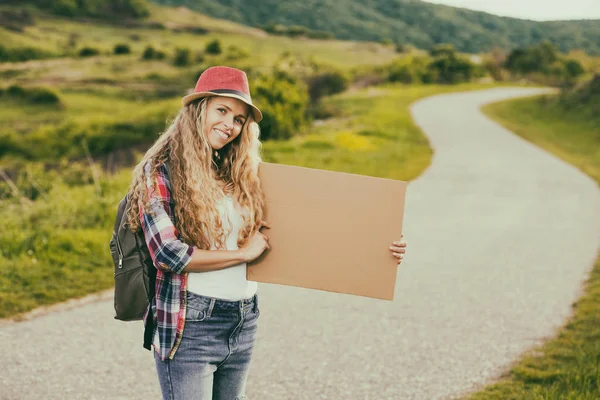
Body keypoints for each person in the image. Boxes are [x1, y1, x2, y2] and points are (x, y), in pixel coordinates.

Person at [124, 66, 408, 400]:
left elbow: (315, 224)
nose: (230, 125)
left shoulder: (240, 171)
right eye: (222, 110)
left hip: (243, 318)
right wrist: (243, 255)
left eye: (240, 119)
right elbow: (167, 254)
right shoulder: (160, 170)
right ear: (198, 109)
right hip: (192, 323)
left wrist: (380, 246)